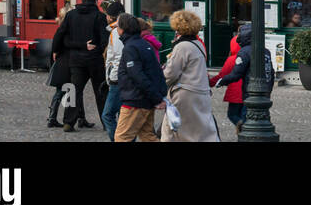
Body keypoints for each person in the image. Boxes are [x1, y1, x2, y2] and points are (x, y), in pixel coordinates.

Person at [52, 0, 109, 132]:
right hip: (95, 60)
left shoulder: (71, 15)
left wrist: (55, 50)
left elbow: (60, 34)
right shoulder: (100, 17)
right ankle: (106, 122)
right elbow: (104, 40)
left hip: (76, 60)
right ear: (96, 0)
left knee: (73, 91)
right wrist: (97, 51)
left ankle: (68, 122)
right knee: (101, 91)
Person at [160, 10, 219, 142]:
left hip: (185, 96)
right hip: (200, 94)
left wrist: (159, 79)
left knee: (173, 132)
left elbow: (171, 73)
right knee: (200, 133)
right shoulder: (198, 44)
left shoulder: (182, 46)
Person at [211, 22, 275, 136]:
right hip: (264, 93)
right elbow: (271, 72)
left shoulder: (244, 52)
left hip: (251, 92)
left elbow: (236, 73)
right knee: (258, 121)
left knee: (247, 122)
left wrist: (221, 81)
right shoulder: (265, 51)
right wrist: (269, 89)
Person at [113, 13, 166, 142]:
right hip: (144, 99)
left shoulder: (131, 47)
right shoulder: (143, 44)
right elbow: (156, 72)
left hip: (135, 100)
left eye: (117, 26)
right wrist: (158, 95)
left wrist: (157, 97)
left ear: (123, 29)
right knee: (147, 136)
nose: (116, 29)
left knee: (122, 137)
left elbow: (138, 76)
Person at [46, 4, 73, 127]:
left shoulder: (62, 29)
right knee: (63, 91)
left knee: (66, 91)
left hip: (63, 63)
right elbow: (56, 47)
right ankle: (53, 118)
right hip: (65, 63)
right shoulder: (64, 30)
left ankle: (55, 117)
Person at [102, 1, 126, 140]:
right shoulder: (118, 30)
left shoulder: (117, 32)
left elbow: (118, 57)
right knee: (123, 115)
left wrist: (113, 77)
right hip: (122, 77)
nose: (106, 17)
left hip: (117, 78)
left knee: (107, 115)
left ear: (112, 17)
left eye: (107, 15)